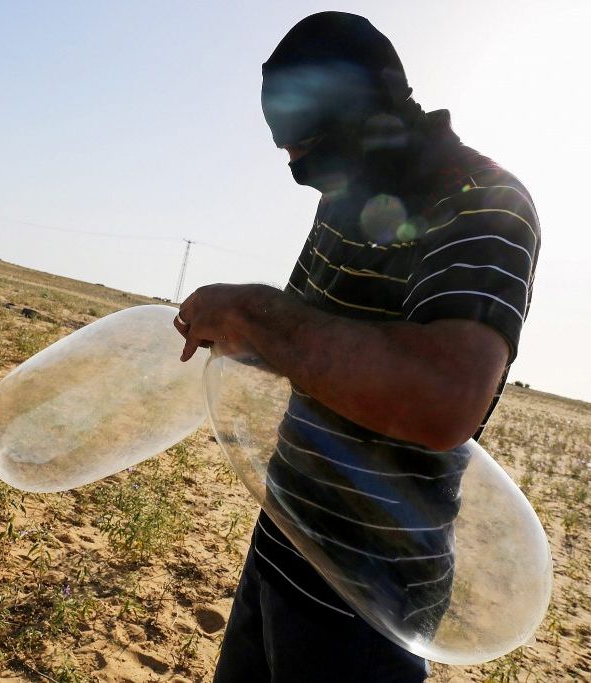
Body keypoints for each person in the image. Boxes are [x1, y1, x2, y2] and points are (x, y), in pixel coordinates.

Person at [174, 12, 540, 683]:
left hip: (366, 603)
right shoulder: (347, 195)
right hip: (281, 547)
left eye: (308, 144)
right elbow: (307, 344)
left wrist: (254, 313)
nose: (298, 168)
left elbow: (441, 400)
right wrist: (226, 327)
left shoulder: (485, 206)